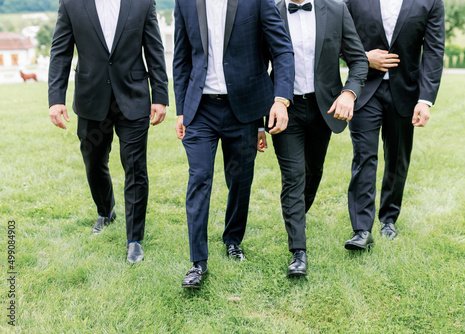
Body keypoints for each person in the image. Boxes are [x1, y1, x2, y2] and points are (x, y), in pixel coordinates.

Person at [173, 0, 294, 288]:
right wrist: (181, 110)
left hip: (244, 109)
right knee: (199, 177)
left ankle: (233, 240)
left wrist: (279, 101)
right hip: (200, 109)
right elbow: (181, 57)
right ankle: (197, 262)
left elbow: (282, 50)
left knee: (240, 179)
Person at [48, 0, 169, 263]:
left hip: (133, 98)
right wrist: (56, 99)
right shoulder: (70, 4)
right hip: (91, 99)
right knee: (93, 162)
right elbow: (60, 52)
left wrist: (160, 95)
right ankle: (106, 210)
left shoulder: (143, 3)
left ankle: (134, 238)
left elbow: (154, 50)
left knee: (135, 167)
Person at [270, 0, 367, 276]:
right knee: (293, 177)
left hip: (323, 108)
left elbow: (358, 59)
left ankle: (296, 217)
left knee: (313, 173)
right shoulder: (272, 12)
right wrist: (259, 121)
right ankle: (298, 252)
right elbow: (258, 66)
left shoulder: (336, 10)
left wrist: (349, 93)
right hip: (285, 108)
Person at [343, 0, 445, 250]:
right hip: (365, 89)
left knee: (397, 157)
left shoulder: (431, 2)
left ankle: (389, 219)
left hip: (406, 93)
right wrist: (364, 58)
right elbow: (333, 36)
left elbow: (433, 51)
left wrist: (425, 100)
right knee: (364, 156)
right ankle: (361, 229)